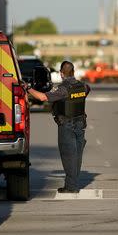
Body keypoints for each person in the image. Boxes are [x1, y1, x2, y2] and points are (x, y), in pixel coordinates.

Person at [26, 61, 90, 193]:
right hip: (80, 124)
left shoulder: (62, 90)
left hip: (67, 125)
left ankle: (71, 187)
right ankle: (72, 183)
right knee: (77, 155)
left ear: (61, 74)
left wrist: (28, 89)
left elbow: (42, 97)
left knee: (68, 155)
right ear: (73, 72)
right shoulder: (83, 86)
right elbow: (86, 91)